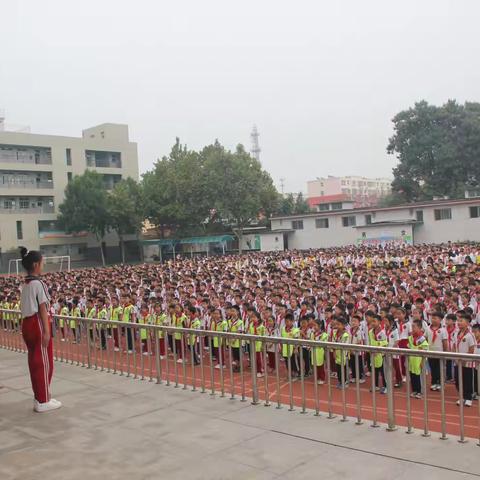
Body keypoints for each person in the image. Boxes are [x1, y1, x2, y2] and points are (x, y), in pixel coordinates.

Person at [19, 247, 61, 412]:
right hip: (37, 322)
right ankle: (43, 400)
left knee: (35, 361)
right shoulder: (38, 283)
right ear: (36, 264)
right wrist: (47, 331)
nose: (43, 265)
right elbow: (43, 308)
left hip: (27, 323)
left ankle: (41, 397)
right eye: (42, 263)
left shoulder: (26, 283)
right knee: (44, 363)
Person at [453, 312, 475, 407]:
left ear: (468, 323)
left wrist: (466, 359)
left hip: (467, 363)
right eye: (458, 321)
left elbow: (471, 348)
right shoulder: (456, 333)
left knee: (467, 380)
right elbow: (454, 345)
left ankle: (468, 398)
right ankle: (461, 397)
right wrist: (454, 356)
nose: (459, 323)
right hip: (457, 361)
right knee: (458, 380)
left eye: (461, 321)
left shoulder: (470, 335)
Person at [425, 311, 447, 391]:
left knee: (439, 368)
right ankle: (434, 382)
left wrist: (445, 352)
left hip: (440, 352)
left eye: (435, 318)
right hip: (431, 352)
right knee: (433, 368)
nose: (433, 320)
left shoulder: (443, 330)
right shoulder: (428, 329)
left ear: (440, 319)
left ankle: (440, 383)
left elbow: (445, 342)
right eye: (432, 318)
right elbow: (426, 339)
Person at [408, 319, 429, 399]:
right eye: (412, 327)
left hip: (419, 361)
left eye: (414, 327)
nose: (412, 329)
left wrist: (423, 361)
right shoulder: (410, 338)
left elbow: (425, 350)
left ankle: (421, 392)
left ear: (420, 328)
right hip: (412, 361)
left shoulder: (422, 339)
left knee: (419, 377)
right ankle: (415, 390)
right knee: (413, 376)